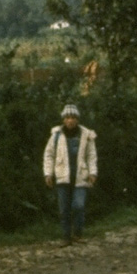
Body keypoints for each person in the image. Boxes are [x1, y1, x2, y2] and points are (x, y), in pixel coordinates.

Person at [43, 104, 97, 246]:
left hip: (81, 176)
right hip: (62, 176)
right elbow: (49, 155)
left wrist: (93, 172)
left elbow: (91, 155)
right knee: (64, 209)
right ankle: (66, 237)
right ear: (63, 120)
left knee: (79, 206)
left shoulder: (86, 135)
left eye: (73, 117)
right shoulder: (56, 135)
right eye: (67, 117)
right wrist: (48, 174)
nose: (70, 120)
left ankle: (78, 234)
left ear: (77, 119)